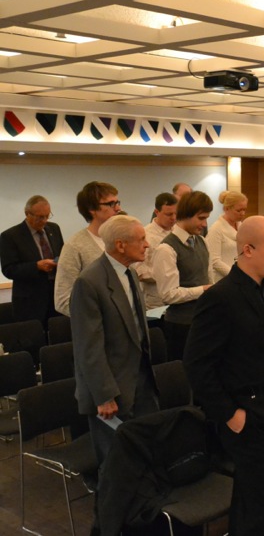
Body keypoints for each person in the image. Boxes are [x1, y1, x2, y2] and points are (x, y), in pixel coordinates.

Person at [183, 216, 264, 536]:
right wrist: (229, 413)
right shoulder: (221, 296)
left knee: (259, 494)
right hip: (246, 412)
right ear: (247, 250)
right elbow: (196, 363)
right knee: (256, 499)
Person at [70, 215, 158, 534]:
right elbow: (89, 348)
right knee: (114, 468)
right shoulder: (90, 281)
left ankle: (135, 524)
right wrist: (105, 395)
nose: (147, 244)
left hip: (141, 381)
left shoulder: (129, 272)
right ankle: (105, 528)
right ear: (120, 245)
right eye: (141, 239)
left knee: (140, 462)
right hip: (112, 391)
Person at [153, 191, 213, 361]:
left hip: (202, 320)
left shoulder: (201, 241)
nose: (204, 224)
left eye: (206, 218)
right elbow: (168, 295)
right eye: (201, 218)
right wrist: (203, 290)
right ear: (186, 214)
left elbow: (207, 279)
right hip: (181, 326)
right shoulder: (166, 248)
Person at [55, 181, 122, 316]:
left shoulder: (121, 240)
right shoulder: (74, 246)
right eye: (110, 204)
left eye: (118, 202)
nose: (118, 208)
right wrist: (99, 316)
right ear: (92, 210)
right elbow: (63, 300)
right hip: (98, 328)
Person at [0, 195, 64, 326]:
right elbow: (9, 269)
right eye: (40, 217)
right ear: (27, 214)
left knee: (58, 336)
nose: (45, 220)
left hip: (56, 297)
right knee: (33, 340)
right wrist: (36, 266)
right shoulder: (10, 236)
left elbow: (62, 254)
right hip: (30, 302)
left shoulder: (54, 229)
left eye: (47, 215)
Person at [136, 192, 177, 310]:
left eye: (175, 213)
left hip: (178, 297)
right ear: (157, 212)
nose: (173, 218)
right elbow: (139, 271)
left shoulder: (177, 232)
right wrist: (166, 275)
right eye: (169, 214)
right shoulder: (145, 234)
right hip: (155, 302)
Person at [207, 190, 248, 283]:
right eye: (239, 210)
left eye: (244, 209)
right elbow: (215, 261)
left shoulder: (241, 226)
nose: (242, 213)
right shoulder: (216, 229)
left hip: (240, 276)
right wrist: (235, 274)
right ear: (226, 209)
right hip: (222, 280)